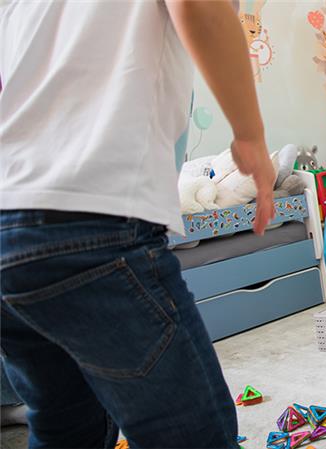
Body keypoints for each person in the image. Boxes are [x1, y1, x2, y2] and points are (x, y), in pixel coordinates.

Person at [0, 1, 275, 447]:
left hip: (8, 224)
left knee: (67, 428)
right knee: (192, 432)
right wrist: (251, 136)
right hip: (92, 223)